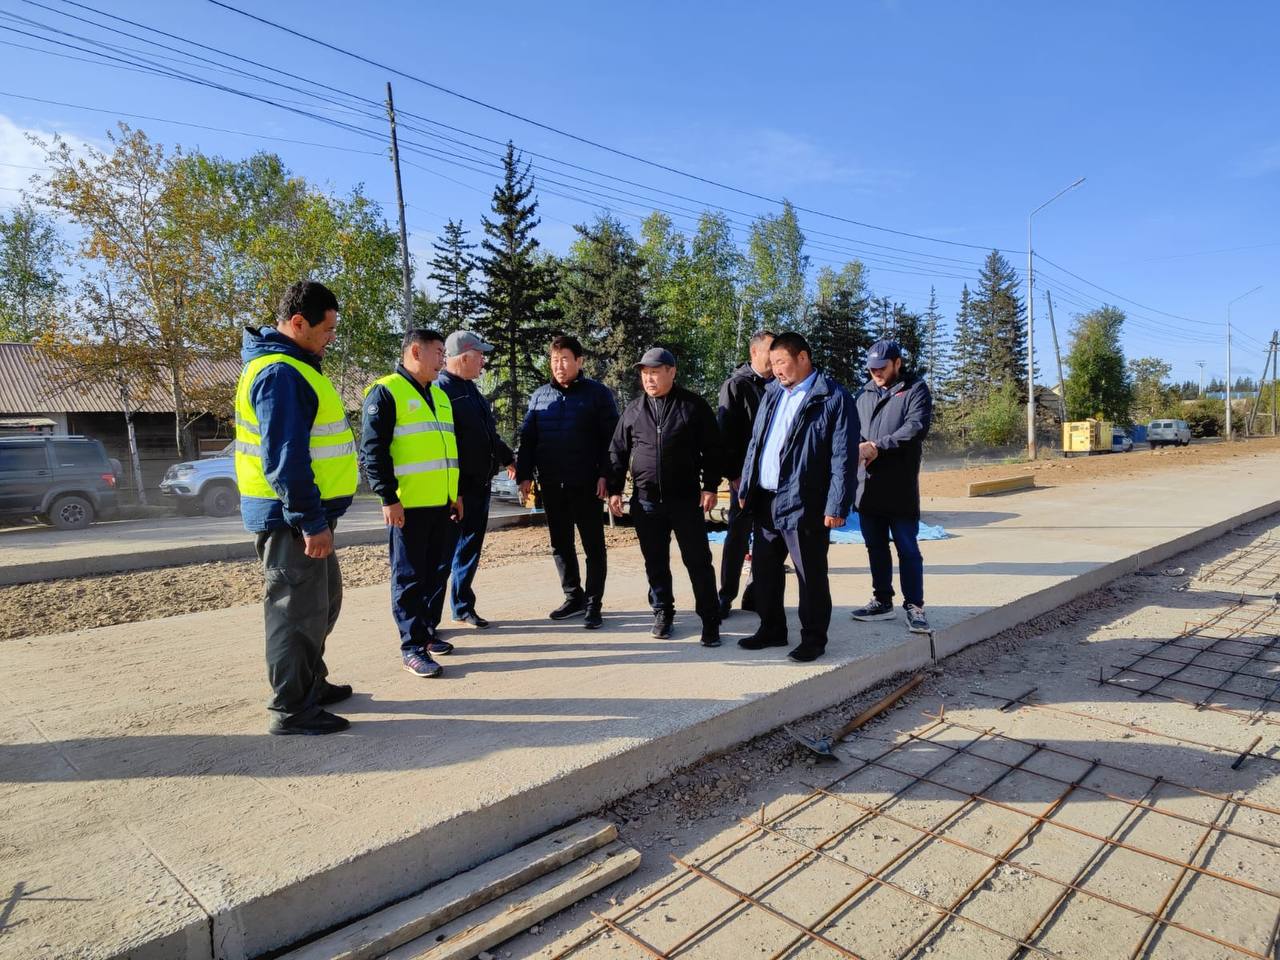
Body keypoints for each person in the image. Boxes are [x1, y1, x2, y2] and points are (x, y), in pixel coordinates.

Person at [235, 280, 358, 736]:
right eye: (326, 329)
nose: (330, 337)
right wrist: (310, 521)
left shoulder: (297, 367)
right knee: (294, 614)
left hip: (306, 518)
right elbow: (284, 459)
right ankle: (291, 709)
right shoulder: (280, 374)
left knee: (322, 605)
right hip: (291, 520)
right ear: (298, 323)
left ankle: (311, 684)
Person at [737, 332, 858, 662]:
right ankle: (772, 628)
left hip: (807, 502)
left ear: (803, 358)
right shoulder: (773, 393)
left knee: (810, 574)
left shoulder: (832, 397)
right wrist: (747, 485)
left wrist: (837, 504)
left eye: (781, 362)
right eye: (772, 363)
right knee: (765, 570)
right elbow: (757, 443)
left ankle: (814, 638)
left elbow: (843, 457)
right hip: (766, 499)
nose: (775, 369)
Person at [359, 328, 462, 679]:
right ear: (416, 352)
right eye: (437, 352)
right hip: (408, 507)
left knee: (435, 572)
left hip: (441, 503)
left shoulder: (439, 395)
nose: (442, 361)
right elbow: (373, 452)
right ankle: (412, 648)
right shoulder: (386, 391)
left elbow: (447, 451)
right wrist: (387, 497)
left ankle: (426, 633)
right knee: (408, 576)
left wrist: (455, 493)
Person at [607, 348, 723, 646]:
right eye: (645, 373)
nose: (649, 378)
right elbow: (618, 452)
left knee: (698, 561)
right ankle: (663, 612)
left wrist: (710, 486)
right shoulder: (633, 410)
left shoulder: (693, 406)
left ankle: (710, 620)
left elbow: (713, 449)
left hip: (685, 500)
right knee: (655, 562)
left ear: (672, 372)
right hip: (646, 503)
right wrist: (615, 489)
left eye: (655, 371)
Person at [516, 335, 619, 629]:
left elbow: (611, 442)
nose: (558, 366)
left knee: (593, 546)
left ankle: (593, 603)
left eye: (564, 359)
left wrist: (607, 476)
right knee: (560, 544)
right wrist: (524, 475)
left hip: (587, 484)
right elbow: (528, 440)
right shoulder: (539, 396)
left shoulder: (598, 395)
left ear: (579, 361)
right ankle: (573, 596)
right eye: (554, 359)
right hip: (552, 484)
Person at [849, 339, 934, 634]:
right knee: (875, 547)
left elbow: (915, 428)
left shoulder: (914, 390)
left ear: (897, 363)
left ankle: (914, 605)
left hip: (899, 488)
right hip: (868, 488)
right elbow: (852, 431)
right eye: (871, 369)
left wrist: (877, 446)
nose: (876, 373)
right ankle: (882, 600)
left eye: (882, 368)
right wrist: (857, 448)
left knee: (907, 548)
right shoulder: (863, 395)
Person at [434, 330, 516, 629]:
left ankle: (462, 606)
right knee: (443, 556)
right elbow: (443, 446)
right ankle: (429, 622)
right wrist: (453, 489)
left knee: (469, 549)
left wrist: (508, 458)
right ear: (465, 356)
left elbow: (488, 435)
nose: (484, 360)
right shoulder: (440, 390)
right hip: (457, 491)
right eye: (480, 354)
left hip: (480, 486)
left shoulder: (471, 390)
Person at [716, 329, 775, 618]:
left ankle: (755, 592)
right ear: (754, 353)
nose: (776, 358)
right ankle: (726, 595)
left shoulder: (780, 385)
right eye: (770, 352)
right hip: (745, 478)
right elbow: (726, 435)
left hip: (774, 479)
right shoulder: (737, 385)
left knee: (767, 538)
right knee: (737, 535)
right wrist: (734, 475)